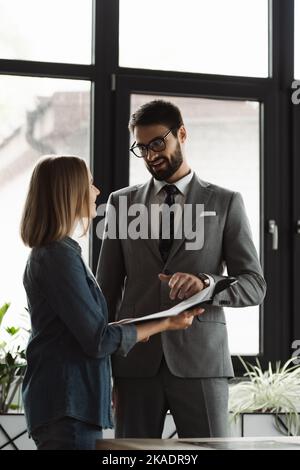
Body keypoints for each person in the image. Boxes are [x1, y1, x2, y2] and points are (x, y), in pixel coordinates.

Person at [97, 100, 267, 438]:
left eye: (157, 143)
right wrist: (106, 369)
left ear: (182, 134)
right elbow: (106, 291)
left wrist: (207, 283)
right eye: (141, 148)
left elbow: (254, 285)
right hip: (135, 365)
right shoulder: (120, 203)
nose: (150, 155)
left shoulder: (225, 202)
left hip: (202, 363)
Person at [20, 155, 203, 450]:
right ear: (70, 193)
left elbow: (89, 330)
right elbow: (98, 340)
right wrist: (166, 323)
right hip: (68, 405)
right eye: (89, 184)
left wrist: (151, 321)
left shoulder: (59, 253)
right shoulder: (58, 257)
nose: (97, 191)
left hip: (68, 405)